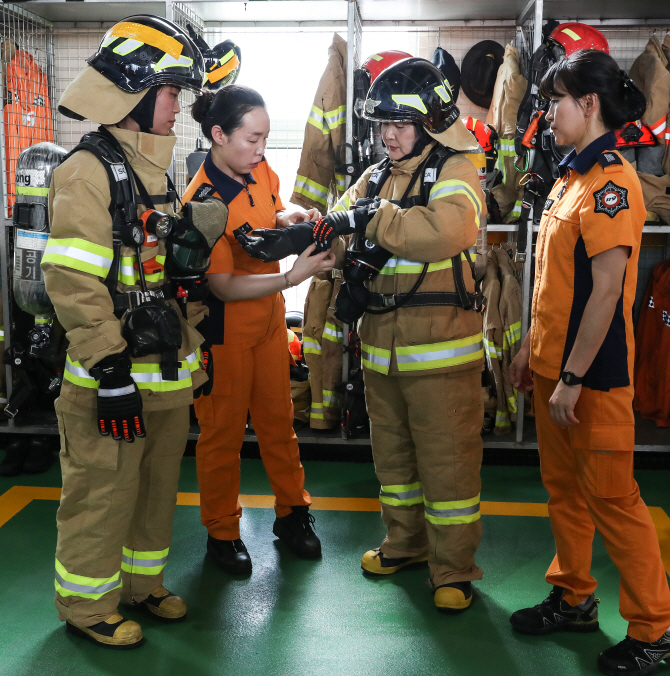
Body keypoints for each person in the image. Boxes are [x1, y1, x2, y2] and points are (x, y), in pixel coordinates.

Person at [241, 57, 487, 611]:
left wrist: (368, 217)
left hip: (441, 354)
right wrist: (297, 233)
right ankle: (405, 544)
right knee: (395, 464)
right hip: (381, 352)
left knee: (447, 466)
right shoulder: (374, 176)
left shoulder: (457, 170)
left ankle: (453, 568)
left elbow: (444, 231)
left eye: (400, 123)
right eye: (382, 125)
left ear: (430, 121)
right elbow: (341, 232)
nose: (390, 135)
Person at [40, 16, 226, 649]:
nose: (180, 108)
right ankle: (88, 606)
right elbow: (73, 282)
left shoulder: (155, 172)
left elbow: (161, 276)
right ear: (139, 95)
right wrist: (111, 372)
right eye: (173, 93)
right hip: (110, 381)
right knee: (100, 495)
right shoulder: (88, 172)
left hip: (166, 376)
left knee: (152, 492)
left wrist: (194, 347)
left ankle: (141, 586)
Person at [507, 49, 670, 676]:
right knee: (564, 492)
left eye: (556, 102)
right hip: (554, 368)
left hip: (592, 377)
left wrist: (572, 377)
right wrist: (530, 351)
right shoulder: (569, 179)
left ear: (589, 105)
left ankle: (655, 629)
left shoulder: (612, 184)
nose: (549, 114)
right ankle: (574, 594)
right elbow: (553, 281)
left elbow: (606, 293)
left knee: (615, 500)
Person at [182, 85, 335, 574]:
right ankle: (222, 534)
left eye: (266, 138)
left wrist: (295, 216)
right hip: (222, 336)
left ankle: (293, 514)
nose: (261, 149)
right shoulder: (202, 203)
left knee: (279, 425)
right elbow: (223, 286)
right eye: (252, 139)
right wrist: (291, 278)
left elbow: (271, 208)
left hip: (268, 327)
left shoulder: (258, 170)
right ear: (219, 135)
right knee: (222, 437)